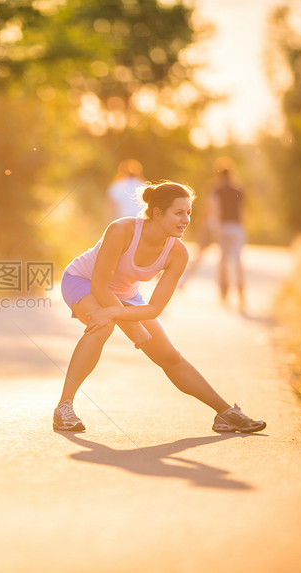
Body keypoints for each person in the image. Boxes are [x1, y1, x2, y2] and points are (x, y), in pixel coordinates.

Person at [54, 181, 266, 433]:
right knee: (102, 326)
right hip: (83, 282)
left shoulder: (178, 253)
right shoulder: (122, 230)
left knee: (170, 356)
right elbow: (100, 287)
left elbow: (154, 308)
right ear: (157, 212)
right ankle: (63, 407)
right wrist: (133, 328)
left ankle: (226, 413)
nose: (185, 219)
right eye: (178, 212)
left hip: (125, 296)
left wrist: (128, 320)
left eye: (188, 212)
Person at [210, 158, 247, 310]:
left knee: (223, 260)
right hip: (237, 226)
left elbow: (215, 209)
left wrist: (215, 227)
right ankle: (241, 294)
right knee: (238, 261)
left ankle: (224, 292)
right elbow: (243, 210)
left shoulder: (216, 189)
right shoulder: (239, 188)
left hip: (223, 226)